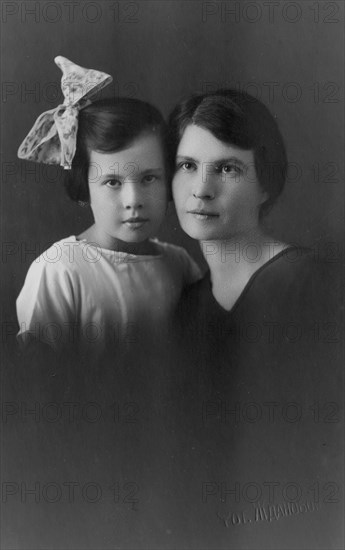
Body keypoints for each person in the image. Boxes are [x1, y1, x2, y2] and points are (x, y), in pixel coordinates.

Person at [166, 89, 343, 548]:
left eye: (227, 168)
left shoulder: (314, 283)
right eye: (187, 166)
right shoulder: (186, 307)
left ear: (266, 183)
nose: (201, 188)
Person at [15, 56, 201, 362]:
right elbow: (38, 378)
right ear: (84, 187)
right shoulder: (61, 269)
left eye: (149, 178)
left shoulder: (178, 265)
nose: (133, 199)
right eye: (112, 182)